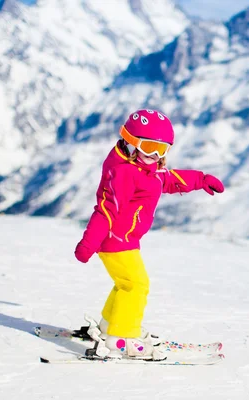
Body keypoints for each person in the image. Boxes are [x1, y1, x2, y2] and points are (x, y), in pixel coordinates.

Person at [73, 109, 224, 360]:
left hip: (126, 240)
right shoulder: (124, 172)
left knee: (125, 284)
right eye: (149, 146)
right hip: (115, 241)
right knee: (136, 286)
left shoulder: (143, 167)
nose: (155, 155)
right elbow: (106, 210)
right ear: (131, 142)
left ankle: (110, 327)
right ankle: (120, 339)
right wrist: (89, 242)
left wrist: (200, 179)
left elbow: (168, 180)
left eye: (162, 149)